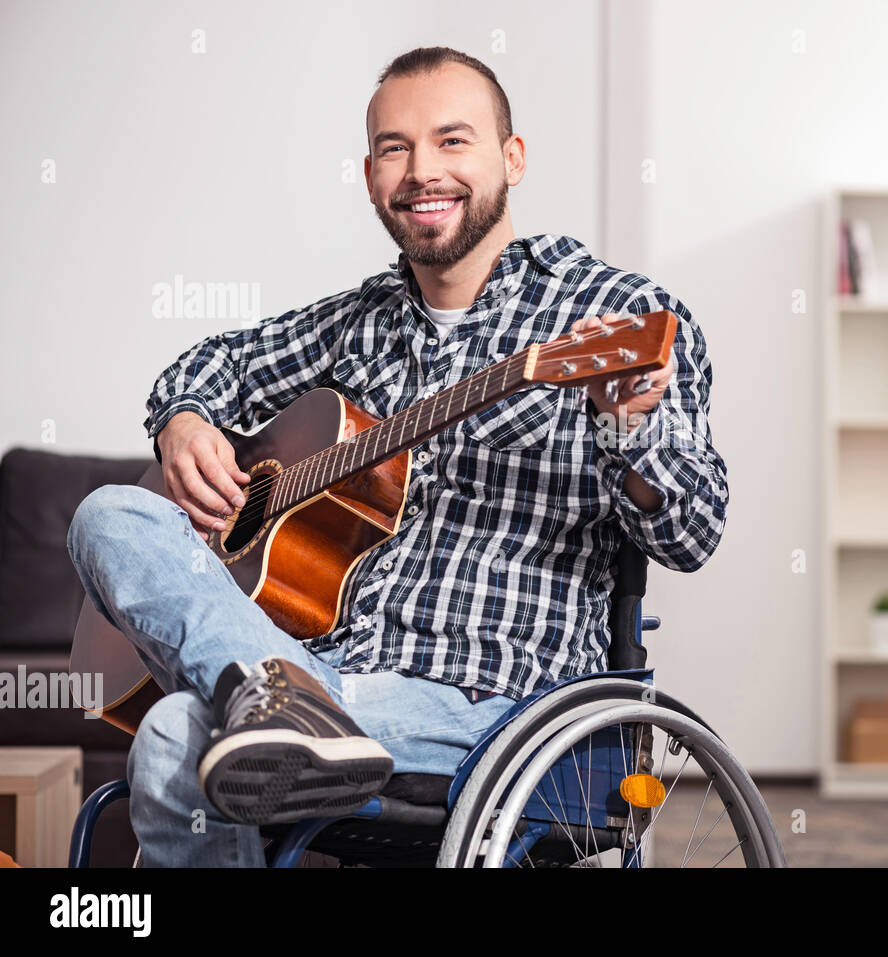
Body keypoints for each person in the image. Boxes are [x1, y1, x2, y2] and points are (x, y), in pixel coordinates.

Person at [65, 45, 728, 867]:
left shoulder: (617, 314)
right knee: (109, 513)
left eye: (453, 141)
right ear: (371, 173)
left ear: (511, 158)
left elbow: (694, 531)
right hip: (333, 674)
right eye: (395, 148)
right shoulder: (356, 322)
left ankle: (276, 699)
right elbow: (213, 365)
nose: (423, 171)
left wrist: (627, 426)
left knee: (172, 731)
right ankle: (272, 691)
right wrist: (187, 421)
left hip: (501, 705)